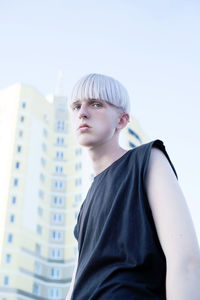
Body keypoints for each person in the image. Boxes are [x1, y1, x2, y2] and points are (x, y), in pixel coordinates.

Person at [66, 73, 200, 300]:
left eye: (96, 104)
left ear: (121, 121)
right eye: (77, 106)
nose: (83, 113)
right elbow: (77, 282)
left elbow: (186, 262)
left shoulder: (147, 160)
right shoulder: (86, 204)